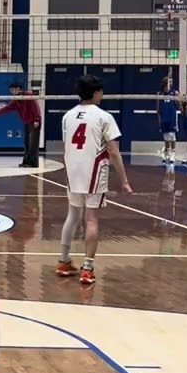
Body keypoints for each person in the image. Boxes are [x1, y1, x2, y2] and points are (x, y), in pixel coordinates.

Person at [59, 75, 133, 285]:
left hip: (73, 170)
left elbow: (67, 145)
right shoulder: (104, 116)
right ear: (96, 92)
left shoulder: (67, 116)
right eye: (101, 91)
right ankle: (87, 268)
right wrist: (124, 180)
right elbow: (114, 150)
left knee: (73, 215)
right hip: (94, 171)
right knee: (91, 219)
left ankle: (63, 262)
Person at [0, 81, 41, 167]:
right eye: (11, 90)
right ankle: (26, 162)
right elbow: (7, 108)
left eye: (12, 90)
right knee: (26, 143)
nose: (11, 92)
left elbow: (36, 108)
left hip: (34, 122)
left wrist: (37, 119)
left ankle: (33, 163)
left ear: (18, 89)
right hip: (26, 122)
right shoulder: (16, 100)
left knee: (33, 143)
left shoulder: (28, 96)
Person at [157, 75, 181, 163]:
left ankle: (173, 155)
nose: (170, 84)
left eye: (171, 82)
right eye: (168, 82)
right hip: (164, 117)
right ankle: (167, 154)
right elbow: (158, 108)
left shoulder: (175, 93)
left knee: (172, 136)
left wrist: (177, 101)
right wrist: (159, 119)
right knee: (166, 137)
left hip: (172, 117)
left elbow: (179, 105)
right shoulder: (160, 94)